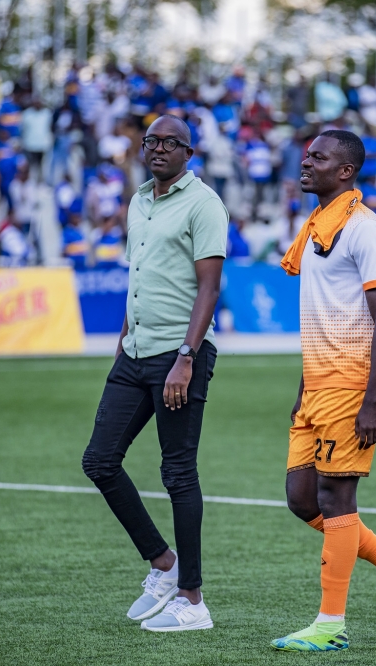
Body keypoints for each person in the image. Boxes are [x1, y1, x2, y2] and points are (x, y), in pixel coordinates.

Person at [272, 129, 376, 652]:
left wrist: (369, 400)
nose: (307, 160)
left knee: (337, 498)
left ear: (345, 171)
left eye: (319, 156)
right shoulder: (317, 224)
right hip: (317, 382)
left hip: (351, 384)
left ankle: (329, 624)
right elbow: (320, 312)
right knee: (301, 499)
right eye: (308, 153)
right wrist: (302, 385)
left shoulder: (364, 228)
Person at [81, 115, 228, 633]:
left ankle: (193, 600)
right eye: (152, 141)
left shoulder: (204, 203)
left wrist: (187, 357)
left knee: (177, 472)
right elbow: (138, 277)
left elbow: (209, 288)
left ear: (190, 152)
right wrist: (122, 338)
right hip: (135, 352)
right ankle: (164, 566)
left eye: (171, 142)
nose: (159, 148)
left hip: (179, 355)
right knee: (99, 461)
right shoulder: (138, 201)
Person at [20, 98, 53, 183]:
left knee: (43, 166)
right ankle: (31, 182)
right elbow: (22, 129)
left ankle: (42, 182)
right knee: (31, 166)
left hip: (43, 145)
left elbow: (50, 127)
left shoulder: (47, 113)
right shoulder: (27, 114)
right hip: (30, 145)